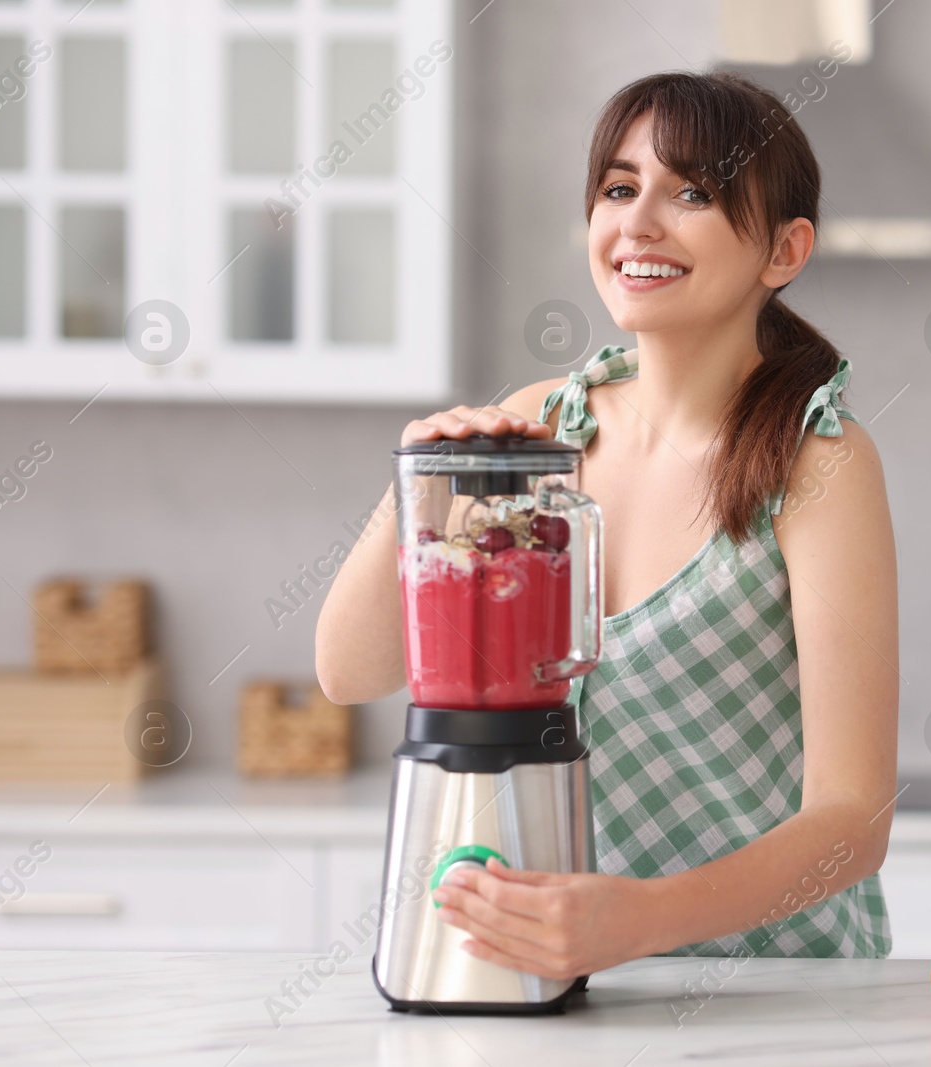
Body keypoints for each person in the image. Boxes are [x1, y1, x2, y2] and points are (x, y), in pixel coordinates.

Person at [316, 70, 898, 979]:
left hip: (780, 990)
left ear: (784, 251)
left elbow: (851, 820)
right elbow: (352, 671)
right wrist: (420, 483)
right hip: (559, 981)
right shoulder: (536, 428)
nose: (638, 223)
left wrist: (641, 919)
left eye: (693, 192)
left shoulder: (817, 463)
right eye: (620, 188)